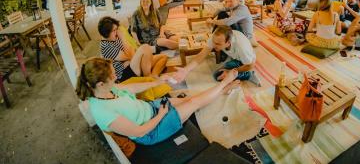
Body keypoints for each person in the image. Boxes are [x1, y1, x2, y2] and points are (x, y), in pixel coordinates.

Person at [77, 57, 240, 146]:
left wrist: (158, 81)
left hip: (151, 108)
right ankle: (224, 84)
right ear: (100, 84)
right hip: (151, 131)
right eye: (113, 76)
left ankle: (223, 90)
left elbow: (131, 88)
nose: (116, 77)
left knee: (190, 97)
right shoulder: (102, 111)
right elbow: (139, 132)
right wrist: (161, 114)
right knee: (194, 102)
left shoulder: (107, 88)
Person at [172, 26, 260, 86]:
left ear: (228, 42)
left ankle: (248, 75)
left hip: (247, 63)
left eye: (218, 44)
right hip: (236, 58)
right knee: (219, 75)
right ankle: (234, 70)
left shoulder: (241, 47)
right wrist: (186, 70)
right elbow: (202, 55)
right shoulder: (215, 38)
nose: (214, 45)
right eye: (213, 42)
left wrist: (232, 71)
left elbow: (251, 65)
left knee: (219, 76)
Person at [98, 17, 167, 82]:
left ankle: (153, 76)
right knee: (145, 47)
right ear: (106, 33)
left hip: (132, 64)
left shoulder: (114, 37)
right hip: (124, 73)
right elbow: (129, 55)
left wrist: (133, 56)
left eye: (116, 29)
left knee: (163, 57)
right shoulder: (106, 46)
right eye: (114, 30)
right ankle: (148, 78)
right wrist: (123, 38)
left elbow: (131, 51)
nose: (117, 32)